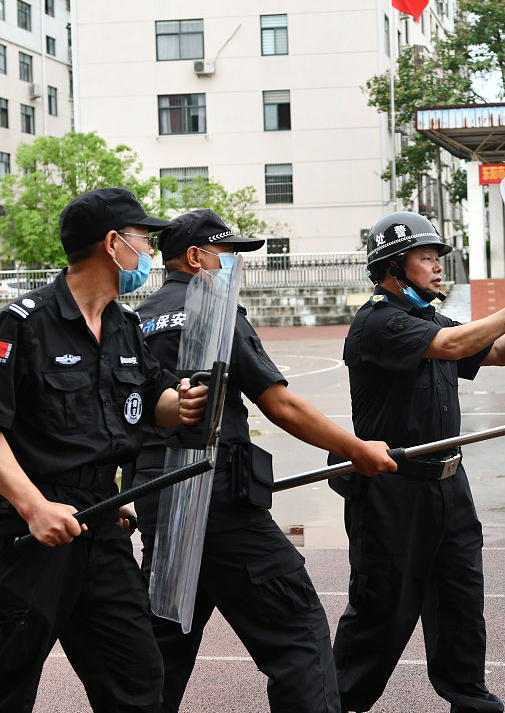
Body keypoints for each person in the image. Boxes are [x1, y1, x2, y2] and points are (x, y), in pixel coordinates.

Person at [130, 209, 398, 713]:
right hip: (219, 504)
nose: (236, 266)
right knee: (297, 633)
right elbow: (279, 404)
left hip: (157, 502)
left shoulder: (135, 322)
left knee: (163, 649)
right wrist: (355, 448)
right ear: (196, 258)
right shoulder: (212, 309)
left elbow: (122, 417)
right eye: (229, 255)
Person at [0, 187, 208, 712]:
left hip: (102, 523)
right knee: (6, 683)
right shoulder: (23, 324)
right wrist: (34, 507)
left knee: (138, 679)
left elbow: (153, 398)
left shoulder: (125, 326)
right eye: (144, 238)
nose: (149, 251)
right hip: (31, 532)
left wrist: (184, 401)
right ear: (113, 245)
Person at [334, 211, 505, 713]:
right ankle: (336, 702)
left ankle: (470, 699)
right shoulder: (379, 322)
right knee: (381, 611)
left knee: (461, 602)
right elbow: (452, 345)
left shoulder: (427, 319)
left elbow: (496, 353)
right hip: (392, 490)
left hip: (449, 485)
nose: (435, 266)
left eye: (436, 257)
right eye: (425, 257)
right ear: (391, 266)